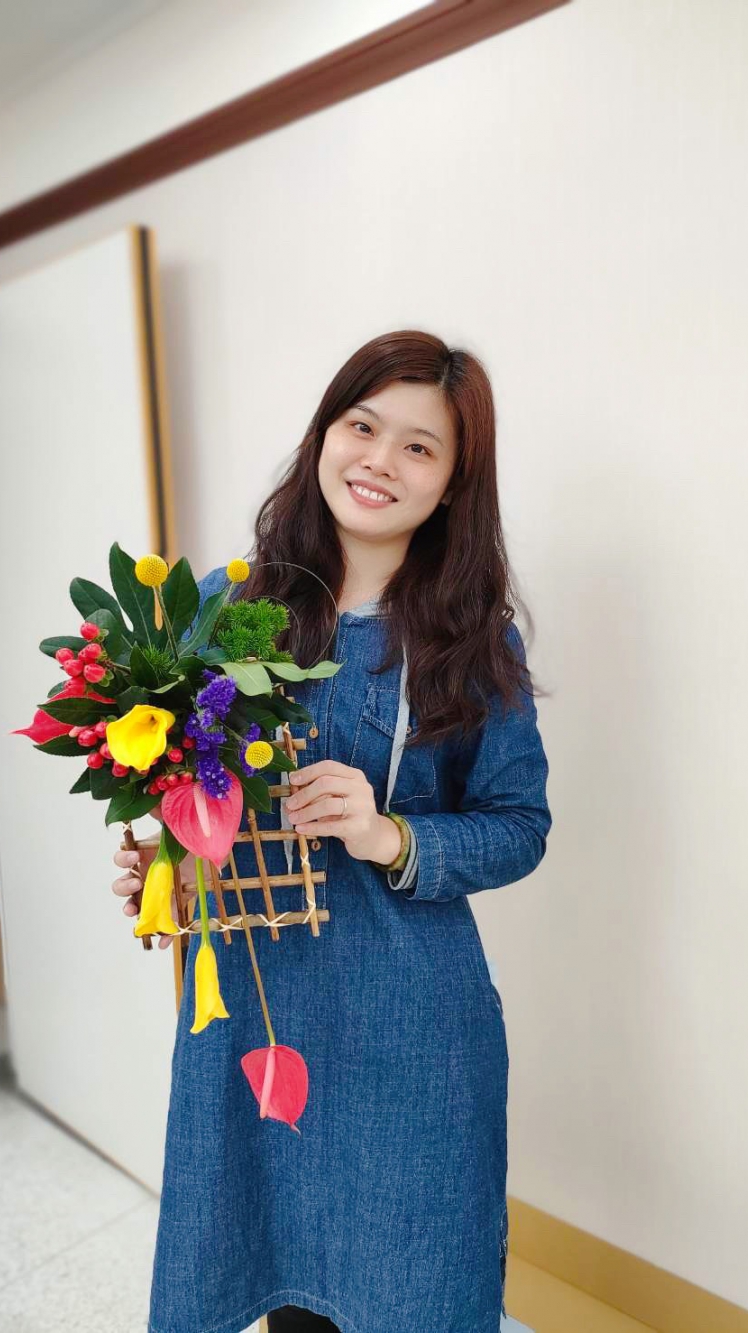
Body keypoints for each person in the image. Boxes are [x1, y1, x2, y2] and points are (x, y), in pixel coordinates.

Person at [111, 330, 553, 1333]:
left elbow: (520, 825)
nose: (380, 460)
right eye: (363, 426)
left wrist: (390, 833)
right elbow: (187, 792)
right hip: (257, 1015)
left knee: (410, 1293)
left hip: (409, 1029)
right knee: (287, 1289)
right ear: (324, 434)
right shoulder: (223, 608)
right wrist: (169, 864)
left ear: (452, 483)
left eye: (419, 447)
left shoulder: (471, 641)